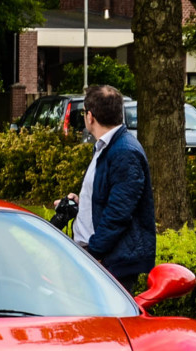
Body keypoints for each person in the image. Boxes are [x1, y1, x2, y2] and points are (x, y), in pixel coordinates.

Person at [54, 85, 156, 292]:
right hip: (98, 259)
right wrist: (82, 202)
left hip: (109, 264)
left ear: (90, 116)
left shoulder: (124, 152)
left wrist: (95, 255)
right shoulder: (107, 146)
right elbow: (112, 197)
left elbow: (119, 213)